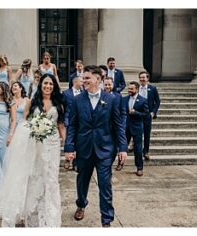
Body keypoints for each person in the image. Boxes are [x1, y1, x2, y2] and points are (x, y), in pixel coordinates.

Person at [0, 74, 65, 227]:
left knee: (51, 179)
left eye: (51, 84)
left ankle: (50, 215)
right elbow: (24, 122)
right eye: (45, 83)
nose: (48, 86)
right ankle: (32, 213)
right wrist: (34, 129)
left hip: (52, 145)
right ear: (41, 85)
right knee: (35, 177)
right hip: (36, 144)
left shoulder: (59, 103)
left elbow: (60, 125)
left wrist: (67, 146)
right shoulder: (33, 102)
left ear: (54, 86)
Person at [64, 65, 127, 227]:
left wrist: (123, 148)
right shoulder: (77, 100)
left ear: (97, 79)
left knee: (105, 184)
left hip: (105, 149)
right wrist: (69, 148)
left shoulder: (112, 99)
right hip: (84, 148)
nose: (83, 80)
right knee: (82, 181)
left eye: (87, 78)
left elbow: (119, 125)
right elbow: (72, 125)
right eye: (83, 78)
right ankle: (81, 204)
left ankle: (106, 220)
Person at [123, 82, 150, 176]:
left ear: (137, 89)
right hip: (126, 127)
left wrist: (135, 113)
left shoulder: (143, 100)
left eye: (131, 89)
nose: (129, 90)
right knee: (122, 147)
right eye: (129, 88)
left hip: (137, 127)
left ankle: (139, 167)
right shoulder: (124, 99)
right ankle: (120, 163)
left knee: (138, 149)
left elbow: (146, 115)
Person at [137, 72, 160, 161]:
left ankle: (146, 152)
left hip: (147, 114)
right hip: (137, 114)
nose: (142, 79)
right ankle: (135, 147)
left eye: (144, 77)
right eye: (140, 77)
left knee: (147, 134)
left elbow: (157, 101)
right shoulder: (137, 87)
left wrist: (153, 112)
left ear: (147, 79)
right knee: (137, 132)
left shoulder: (152, 88)